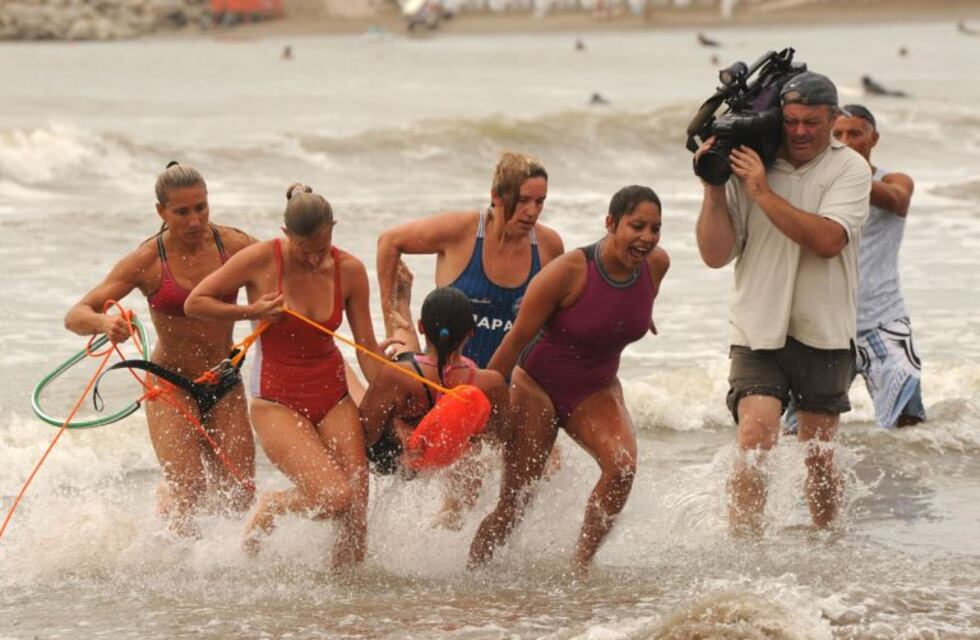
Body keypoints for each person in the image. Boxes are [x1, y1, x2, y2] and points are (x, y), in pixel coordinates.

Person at [693, 71, 872, 535]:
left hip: (825, 326)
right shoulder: (751, 162)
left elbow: (828, 239)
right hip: (756, 323)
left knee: (818, 455)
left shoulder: (848, 168)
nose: (799, 132)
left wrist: (761, 191)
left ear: (833, 119)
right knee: (754, 439)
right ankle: (744, 549)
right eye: (790, 121)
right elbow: (715, 256)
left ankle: (828, 542)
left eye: (812, 122)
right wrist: (714, 186)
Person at [185, 183, 392, 567]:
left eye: (322, 248)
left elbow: (367, 348)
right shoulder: (261, 259)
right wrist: (251, 312)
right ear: (286, 236)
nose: (315, 260)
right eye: (306, 251)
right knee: (334, 497)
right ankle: (273, 506)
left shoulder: (350, 269)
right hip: (276, 400)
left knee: (357, 506)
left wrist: (394, 399)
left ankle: (350, 608)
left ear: (334, 228)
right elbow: (195, 302)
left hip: (333, 395)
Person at [469, 185, 669, 573]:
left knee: (623, 467)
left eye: (655, 228)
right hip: (536, 388)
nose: (646, 238)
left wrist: (636, 316)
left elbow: (635, 301)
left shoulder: (657, 264)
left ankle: (579, 566)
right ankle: (472, 577)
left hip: (595, 388)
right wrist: (487, 406)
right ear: (611, 223)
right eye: (637, 226)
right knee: (515, 503)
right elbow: (515, 342)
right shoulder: (567, 272)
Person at [64, 162, 257, 536]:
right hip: (169, 385)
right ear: (161, 212)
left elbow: (281, 282)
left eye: (201, 207)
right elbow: (75, 315)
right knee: (190, 495)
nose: (195, 220)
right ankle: (177, 566)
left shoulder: (234, 246)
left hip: (223, 380)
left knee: (240, 495)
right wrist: (104, 323)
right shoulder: (148, 260)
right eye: (182, 212)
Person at [376, 151, 564, 524]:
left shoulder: (548, 247)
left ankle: (508, 563)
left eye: (540, 202)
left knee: (547, 470)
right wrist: (394, 319)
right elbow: (389, 242)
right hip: (453, 387)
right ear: (497, 196)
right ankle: (445, 556)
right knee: (467, 483)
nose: (531, 211)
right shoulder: (462, 232)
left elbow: (556, 313)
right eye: (523, 200)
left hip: (505, 386)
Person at [833, 105, 925, 428]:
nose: (845, 141)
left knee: (908, 430)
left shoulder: (893, 180)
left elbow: (898, 200)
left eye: (854, 133)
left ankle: (906, 481)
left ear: (874, 138)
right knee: (797, 433)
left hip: (884, 320)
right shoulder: (819, 184)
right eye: (837, 135)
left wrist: (848, 175)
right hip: (829, 323)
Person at [359, 287, 509, 478]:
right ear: (471, 332)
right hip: (452, 464)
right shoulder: (491, 382)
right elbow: (503, 438)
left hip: (402, 465)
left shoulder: (397, 375)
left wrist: (396, 424)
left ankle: (400, 306)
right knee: (405, 352)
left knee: (392, 358)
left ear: (422, 327)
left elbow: (366, 435)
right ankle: (402, 306)